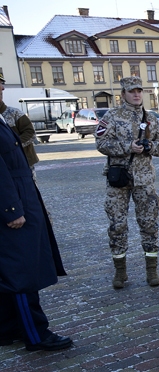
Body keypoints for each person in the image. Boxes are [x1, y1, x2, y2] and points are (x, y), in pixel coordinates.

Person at [0, 115, 72, 351]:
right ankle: (36, 333)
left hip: (20, 196)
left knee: (15, 269)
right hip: (12, 203)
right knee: (21, 271)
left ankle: (9, 328)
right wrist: (10, 209)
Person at [96, 76, 159, 289]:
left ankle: (152, 271)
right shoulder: (111, 117)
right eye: (132, 91)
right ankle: (120, 273)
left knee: (149, 224)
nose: (137, 94)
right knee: (117, 225)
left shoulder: (152, 119)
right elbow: (101, 143)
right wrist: (127, 147)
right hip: (118, 179)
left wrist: (149, 147)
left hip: (144, 181)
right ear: (123, 94)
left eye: (139, 90)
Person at [0, 74, 40, 182]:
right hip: (4, 166)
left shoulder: (14, 113)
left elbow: (30, 133)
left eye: (1, 85)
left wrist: (14, 145)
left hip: (23, 163)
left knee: (28, 195)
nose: (2, 88)